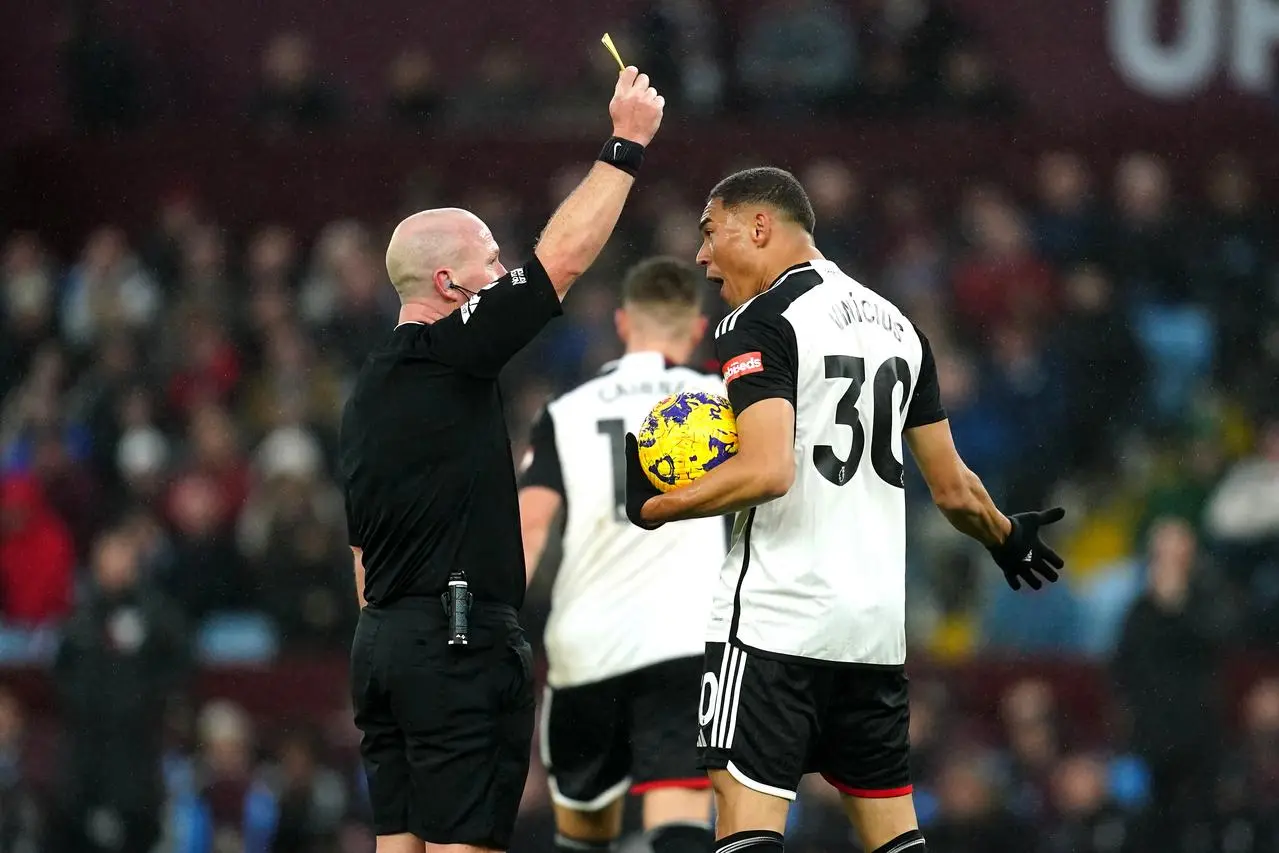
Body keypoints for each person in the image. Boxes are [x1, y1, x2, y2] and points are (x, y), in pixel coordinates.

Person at [622, 167, 1066, 853]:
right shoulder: (899, 327)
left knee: (745, 832)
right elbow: (952, 490)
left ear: (760, 226)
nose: (702, 257)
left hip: (776, 622)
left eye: (710, 233)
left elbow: (769, 470)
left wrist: (656, 503)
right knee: (893, 838)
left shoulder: (757, 321)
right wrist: (1006, 535)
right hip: (870, 635)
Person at [339, 66, 664, 853]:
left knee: (400, 843)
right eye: (489, 261)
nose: (502, 271)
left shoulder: (369, 391)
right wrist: (624, 143)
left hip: (383, 641)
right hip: (455, 642)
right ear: (448, 284)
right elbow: (564, 259)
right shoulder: (449, 353)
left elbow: (359, 552)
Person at [518, 257, 726, 853]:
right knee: (681, 813)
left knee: (585, 830)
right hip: (683, 637)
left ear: (621, 323)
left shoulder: (565, 412)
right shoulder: (717, 402)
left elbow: (531, 529)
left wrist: (488, 624)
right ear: (694, 331)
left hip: (586, 646)